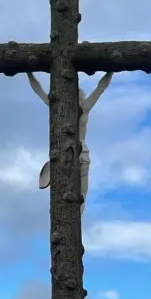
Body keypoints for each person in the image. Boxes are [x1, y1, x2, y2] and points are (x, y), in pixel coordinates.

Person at [27, 70, 114, 215]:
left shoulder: (84, 108)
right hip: (65, 153)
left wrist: (111, 72)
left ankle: (77, 220)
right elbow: (38, 90)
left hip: (81, 153)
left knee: (81, 196)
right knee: (64, 192)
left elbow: (101, 87)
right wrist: (29, 73)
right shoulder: (58, 106)